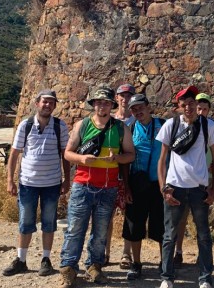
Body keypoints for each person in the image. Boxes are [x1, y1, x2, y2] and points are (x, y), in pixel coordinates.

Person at [58, 86, 135, 288]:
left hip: (108, 187)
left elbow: (131, 154)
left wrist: (117, 158)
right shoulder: (82, 125)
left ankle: (94, 266)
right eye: (99, 102)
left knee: (101, 231)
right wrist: (82, 158)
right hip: (83, 185)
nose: (102, 105)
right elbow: (68, 153)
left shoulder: (120, 128)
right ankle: (68, 268)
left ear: (112, 105)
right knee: (75, 228)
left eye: (107, 102)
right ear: (93, 104)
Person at [156, 85, 214, 288]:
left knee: (203, 235)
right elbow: (162, 160)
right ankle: (166, 278)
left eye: (192, 103)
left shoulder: (208, 125)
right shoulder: (170, 125)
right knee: (169, 236)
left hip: (199, 189)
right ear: (179, 107)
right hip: (175, 187)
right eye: (184, 105)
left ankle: (205, 278)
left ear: (197, 104)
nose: (188, 108)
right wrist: (163, 189)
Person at [2, 89, 70, 277]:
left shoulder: (59, 126)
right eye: (44, 102)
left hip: (51, 183)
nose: (47, 105)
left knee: (49, 223)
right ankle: (21, 260)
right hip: (28, 182)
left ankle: (46, 260)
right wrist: (10, 180)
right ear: (37, 103)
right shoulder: (26, 125)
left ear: (55, 106)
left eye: (51, 102)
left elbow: (65, 155)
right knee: (25, 222)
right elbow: (14, 153)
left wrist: (67, 180)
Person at [174, 93, 214, 268]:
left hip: (206, 179)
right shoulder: (182, 124)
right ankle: (178, 253)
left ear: (209, 109)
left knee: (201, 221)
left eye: (205, 108)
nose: (201, 111)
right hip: (185, 179)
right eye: (199, 108)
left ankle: (201, 257)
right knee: (180, 219)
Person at [122, 94, 166, 280]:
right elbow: (124, 160)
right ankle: (136, 264)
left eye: (140, 107)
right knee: (134, 225)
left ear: (149, 107)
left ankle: (165, 264)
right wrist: (126, 187)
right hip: (137, 183)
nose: (138, 111)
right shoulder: (130, 129)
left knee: (162, 226)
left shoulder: (164, 125)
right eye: (133, 109)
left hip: (160, 184)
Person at [110, 83, 136, 269]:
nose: (125, 99)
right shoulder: (109, 121)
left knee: (129, 215)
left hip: (131, 174)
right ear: (117, 98)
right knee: (106, 215)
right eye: (122, 96)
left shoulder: (138, 122)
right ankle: (104, 252)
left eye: (129, 96)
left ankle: (126, 253)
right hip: (109, 173)